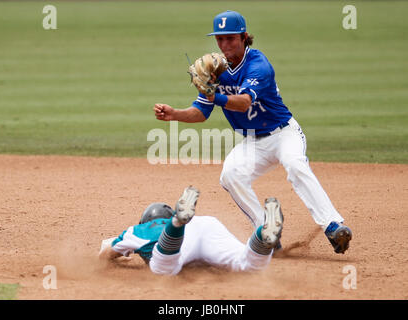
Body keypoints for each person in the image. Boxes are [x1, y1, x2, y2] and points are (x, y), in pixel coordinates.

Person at [153, 10, 352, 254]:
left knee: (296, 164)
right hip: (253, 142)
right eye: (220, 39)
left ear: (244, 37)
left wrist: (213, 95)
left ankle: (333, 226)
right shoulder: (216, 68)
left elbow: (243, 102)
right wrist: (175, 114)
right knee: (230, 175)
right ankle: (266, 233)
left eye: (230, 38)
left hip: (283, 134)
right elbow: (201, 112)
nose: (224, 44)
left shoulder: (259, 65)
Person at [98, 186, 284, 275]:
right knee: (246, 264)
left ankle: (177, 224)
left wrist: (121, 254)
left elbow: (106, 255)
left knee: (162, 269)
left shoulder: (139, 230)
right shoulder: (201, 221)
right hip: (206, 226)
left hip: (178, 241)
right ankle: (262, 232)